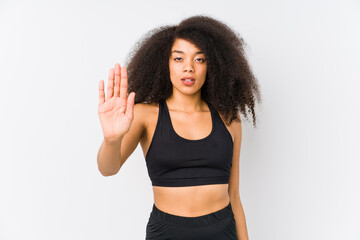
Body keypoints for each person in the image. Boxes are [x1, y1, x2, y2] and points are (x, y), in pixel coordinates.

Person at [97, 15, 261, 240]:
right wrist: (112, 139)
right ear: (164, 63)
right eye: (178, 59)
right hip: (166, 232)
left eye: (199, 59)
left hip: (222, 231)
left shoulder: (229, 119)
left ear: (213, 65)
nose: (189, 68)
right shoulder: (146, 115)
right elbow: (108, 168)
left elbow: (234, 196)